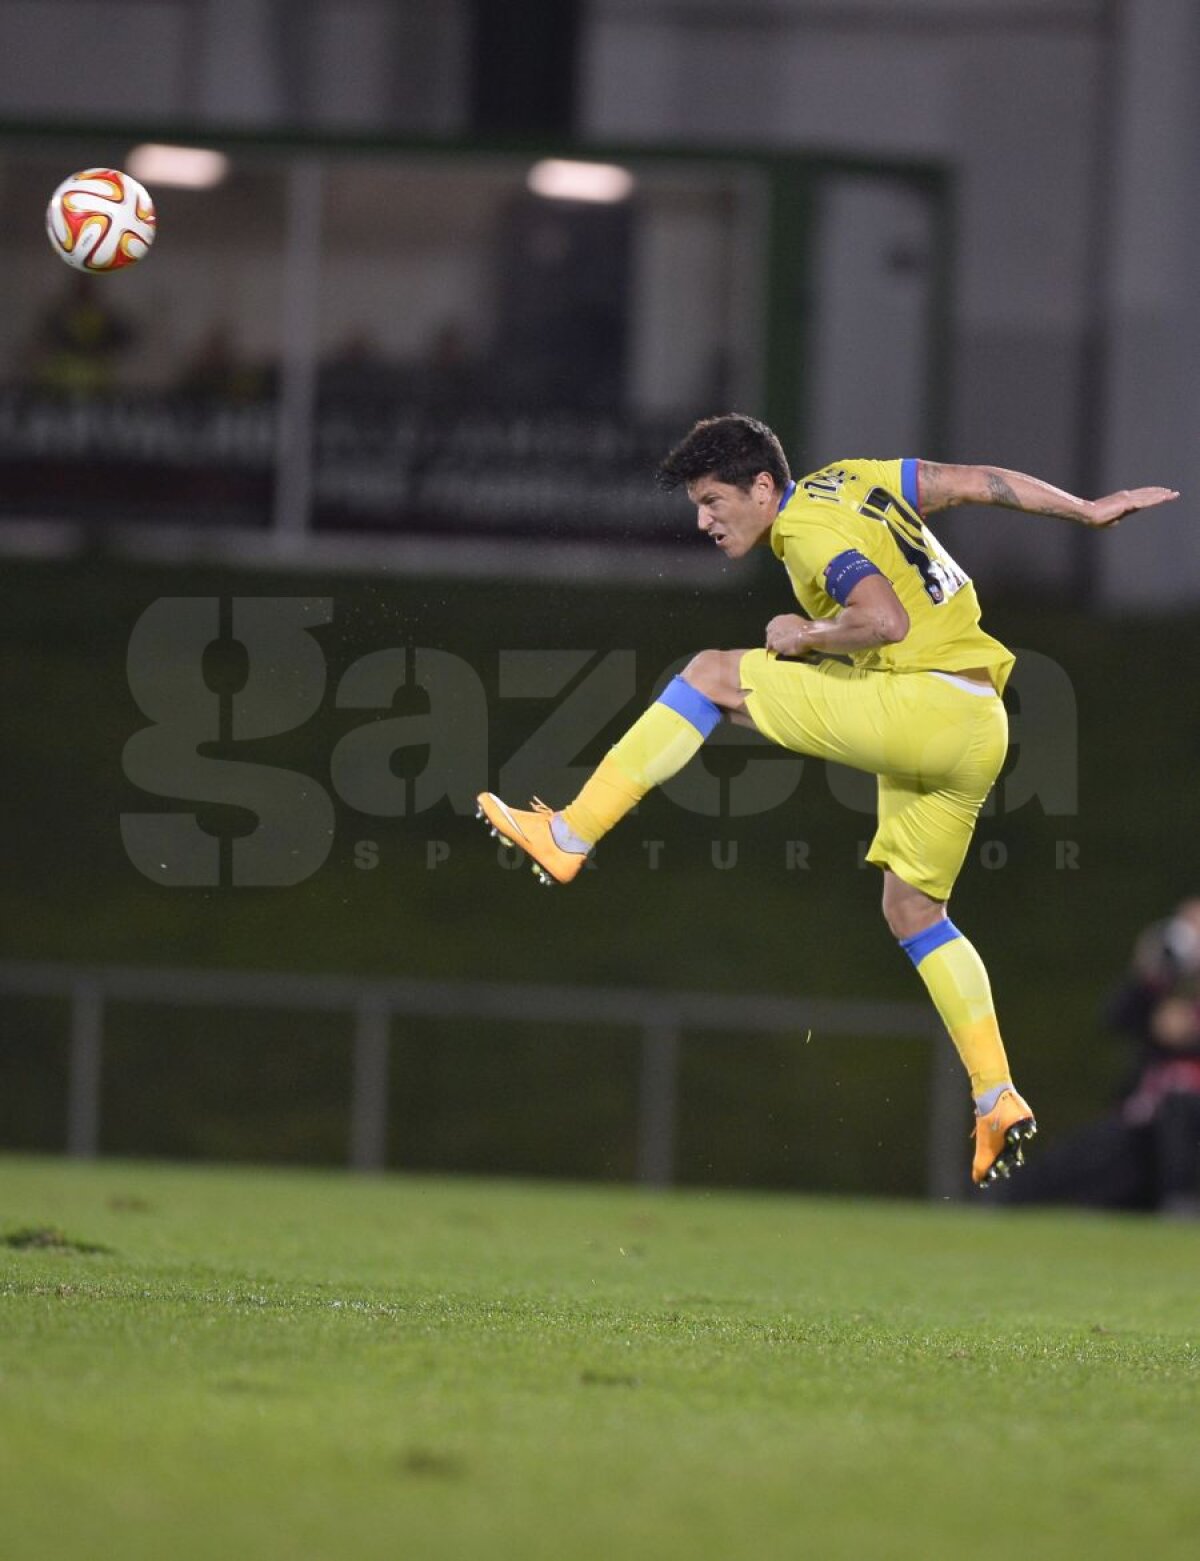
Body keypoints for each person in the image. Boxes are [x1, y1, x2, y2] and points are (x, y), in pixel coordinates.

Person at [476, 414, 1179, 1187]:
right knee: (915, 911)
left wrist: (805, 634)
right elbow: (973, 481)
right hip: (979, 721)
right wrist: (1084, 508)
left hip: (926, 704)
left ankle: (571, 834)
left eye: (714, 500)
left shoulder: (806, 528)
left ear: (764, 486)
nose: (703, 520)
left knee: (712, 672)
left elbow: (885, 619)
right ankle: (995, 1094)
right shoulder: (860, 476)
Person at [998, 899, 1200, 1214]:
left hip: (1186, 1127)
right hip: (1144, 1132)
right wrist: (1146, 971)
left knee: (1180, 1113)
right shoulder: (1166, 988)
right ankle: (997, 1201)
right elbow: (1115, 1017)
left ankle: (1181, 1202)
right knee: (1070, 1166)